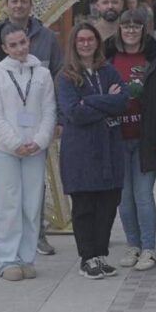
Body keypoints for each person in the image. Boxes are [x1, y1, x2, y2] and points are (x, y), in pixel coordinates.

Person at [0, 0, 62, 258]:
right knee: (7, 194)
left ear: (31, 4)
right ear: (6, 5)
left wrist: (54, 125)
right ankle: (6, 244)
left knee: (34, 192)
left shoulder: (47, 38)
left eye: (23, 1)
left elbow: (58, 80)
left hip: (36, 132)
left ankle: (36, 237)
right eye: (13, 1)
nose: (18, 6)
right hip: (3, 133)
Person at [0, 23, 57, 280]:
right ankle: (6, 260)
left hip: (35, 150)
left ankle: (26, 257)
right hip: (5, 151)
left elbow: (49, 111)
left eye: (22, 42)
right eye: (12, 45)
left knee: (31, 205)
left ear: (29, 42)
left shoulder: (42, 74)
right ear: (4, 48)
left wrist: (40, 140)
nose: (19, 48)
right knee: (8, 205)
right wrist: (15, 143)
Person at [56, 23, 129, 279]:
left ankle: (100, 255)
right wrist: (104, 103)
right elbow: (74, 113)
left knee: (108, 204)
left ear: (97, 42)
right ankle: (87, 258)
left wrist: (91, 101)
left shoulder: (107, 70)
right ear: (74, 44)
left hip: (109, 148)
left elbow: (123, 101)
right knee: (85, 206)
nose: (86, 44)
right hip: (80, 151)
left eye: (90, 39)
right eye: (81, 40)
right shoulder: (66, 76)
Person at [104, 8, 156, 271]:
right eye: (126, 26)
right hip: (117, 138)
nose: (131, 30)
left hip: (145, 139)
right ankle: (132, 245)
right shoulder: (108, 56)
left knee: (143, 195)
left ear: (144, 29)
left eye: (136, 26)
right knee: (124, 196)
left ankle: (148, 249)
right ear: (119, 28)